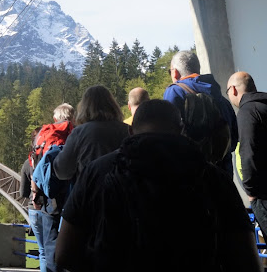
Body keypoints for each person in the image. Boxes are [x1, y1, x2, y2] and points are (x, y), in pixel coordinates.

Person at [55, 99, 260, 272]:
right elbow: (247, 260)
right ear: (181, 130)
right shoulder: (212, 177)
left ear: (130, 131)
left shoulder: (97, 171)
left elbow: (64, 254)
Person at [20, 103, 74, 272]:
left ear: (55, 118)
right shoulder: (77, 134)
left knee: (47, 250)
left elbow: (34, 172)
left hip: (47, 201)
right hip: (73, 198)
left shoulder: (44, 136)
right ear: (72, 117)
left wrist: (35, 194)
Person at [163, 50, 238, 173]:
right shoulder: (221, 99)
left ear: (175, 72)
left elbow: (167, 138)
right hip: (224, 174)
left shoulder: (175, 92)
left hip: (192, 176)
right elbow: (234, 139)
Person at [52, 85, 129, 182]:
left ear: (84, 107)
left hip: (91, 191)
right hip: (123, 192)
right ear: (113, 105)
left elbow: (62, 172)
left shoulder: (79, 132)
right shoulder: (127, 130)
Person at [227, 71, 267, 231]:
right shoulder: (263, 106)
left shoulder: (247, 112)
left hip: (263, 195)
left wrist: (251, 192)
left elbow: (248, 152)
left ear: (234, 90)